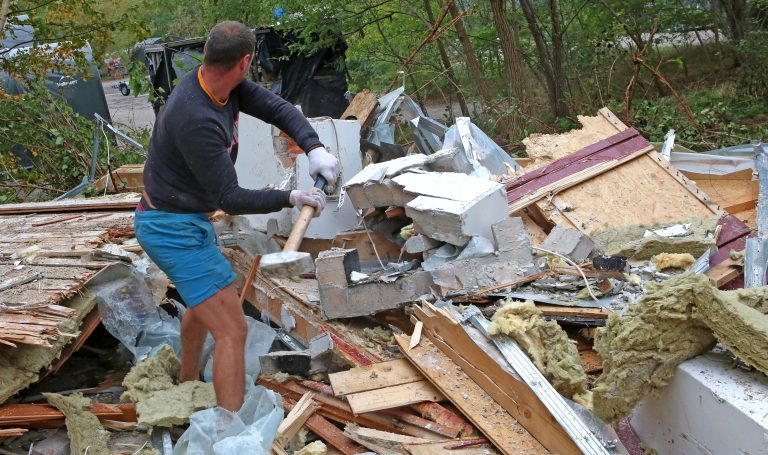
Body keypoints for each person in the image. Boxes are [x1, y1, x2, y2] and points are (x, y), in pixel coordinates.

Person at [134, 21, 340, 412]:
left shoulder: (219, 83)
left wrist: (313, 147)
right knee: (232, 329)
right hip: (169, 229)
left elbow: (277, 108)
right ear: (246, 60)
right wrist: (291, 196)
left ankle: (188, 381)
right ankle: (231, 433)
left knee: (202, 304)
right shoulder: (195, 117)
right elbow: (229, 197)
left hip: (184, 219)